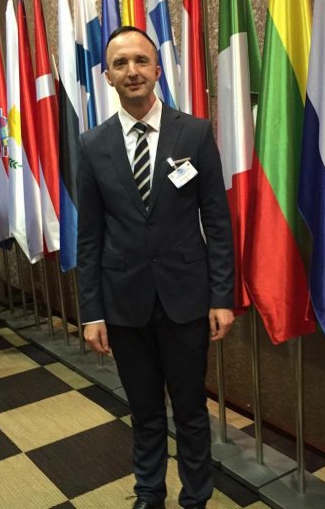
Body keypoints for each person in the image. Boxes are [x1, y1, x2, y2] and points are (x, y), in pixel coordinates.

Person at [76, 25, 234, 509]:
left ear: (158, 69)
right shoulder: (92, 144)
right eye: (120, 63)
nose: (132, 71)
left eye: (141, 60)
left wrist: (221, 297)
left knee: (190, 409)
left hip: (186, 299)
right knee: (144, 410)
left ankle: (196, 497)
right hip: (124, 302)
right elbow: (90, 236)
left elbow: (217, 221)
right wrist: (91, 312)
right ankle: (149, 493)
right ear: (108, 76)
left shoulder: (194, 132)